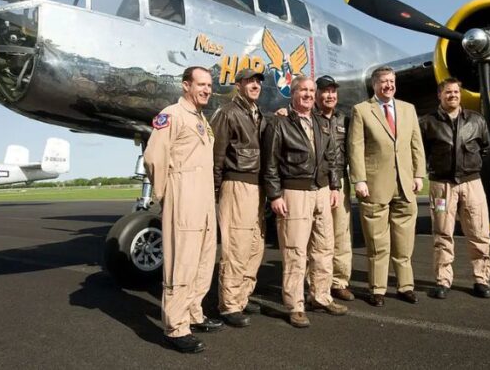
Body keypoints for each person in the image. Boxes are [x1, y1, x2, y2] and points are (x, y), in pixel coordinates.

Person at [143, 66, 221, 354]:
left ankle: (193, 313)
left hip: (203, 199)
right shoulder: (172, 115)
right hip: (184, 195)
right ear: (185, 86)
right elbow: (153, 157)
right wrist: (166, 193)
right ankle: (176, 327)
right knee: (183, 262)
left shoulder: (202, 119)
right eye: (201, 84)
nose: (206, 90)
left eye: (209, 85)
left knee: (203, 260)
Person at [262, 75, 347, 328]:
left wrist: (334, 186)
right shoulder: (280, 123)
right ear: (293, 93)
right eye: (304, 90)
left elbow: (332, 157)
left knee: (324, 247)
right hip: (294, 191)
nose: (309, 95)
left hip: (322, 191)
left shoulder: (321, 122)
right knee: (295, 251)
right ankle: (295, 304)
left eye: (312, 90)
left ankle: (321, 296)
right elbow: (270, 163)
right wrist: (275, 195)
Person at [348, 65, 426, 307]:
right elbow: (356, 147)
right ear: (375, 85)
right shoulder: (361, 110)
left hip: (405, 185)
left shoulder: (408, 109)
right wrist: (359, 179)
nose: (388, 85)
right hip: (374, 186)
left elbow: (416, 145)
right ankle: (377, 289)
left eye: (391, 81)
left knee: (404, 243)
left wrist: (418, 174)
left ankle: (405, 286)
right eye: (383, 81)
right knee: (377, 244)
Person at [419, 77, 490, 299]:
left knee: (479, 232)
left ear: (460, 95)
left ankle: (481, 279)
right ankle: (443, 280)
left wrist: (470, 167)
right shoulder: (427, 122)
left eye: (456, 92)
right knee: (442, 233)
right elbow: (420, 151)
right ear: (439, 95)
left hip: (472, 183)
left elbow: (486, 148)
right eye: (448, 92)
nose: (452, 95)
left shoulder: (476, 120)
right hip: (441, 186)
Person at [210, 68, 266, 328]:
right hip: (237, 185)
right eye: (249, 81)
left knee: (255, 245)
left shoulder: (257, 114)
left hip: (257, 187)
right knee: (236, 246)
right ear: (239, 85)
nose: (255, 85)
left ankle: (242, 296)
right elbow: (216, 156)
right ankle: (229, 305)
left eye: (258, 82)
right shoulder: (227, 112)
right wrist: (215, 191)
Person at [315, 75, 355, 301]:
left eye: (333, 91)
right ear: (317, 94)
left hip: (339, 183)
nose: (330, 95)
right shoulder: (308, 118)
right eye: (325, 91)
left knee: (341, 233)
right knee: (318, 236)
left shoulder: (344, 119)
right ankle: (317, 282)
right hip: (317, 184)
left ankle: (339, 281)